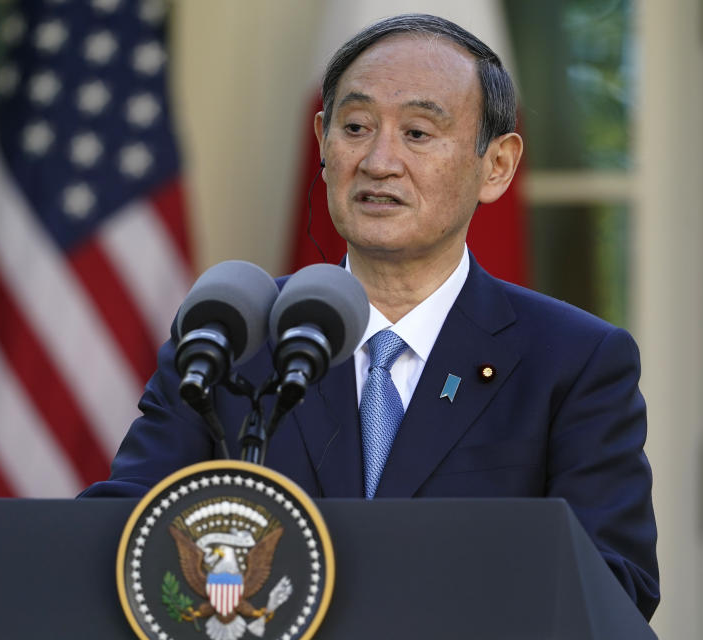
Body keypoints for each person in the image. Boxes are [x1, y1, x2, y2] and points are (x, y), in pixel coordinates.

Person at [81, 13, 660, 620]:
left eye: (417, 133)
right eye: (355, 127)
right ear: (324, 147)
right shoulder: (233, 335)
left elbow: (613, 588)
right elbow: (121, 536)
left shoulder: (573, 362)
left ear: (497, 166)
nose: (379, 161)